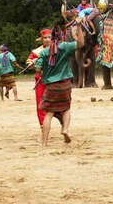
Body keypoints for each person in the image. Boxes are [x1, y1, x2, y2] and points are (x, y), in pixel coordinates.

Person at [35, 18, 85, 147]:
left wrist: (44, 72)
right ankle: (65, 129)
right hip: (65, 84)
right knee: (66, 108)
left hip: (51, 86)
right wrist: (79, 26)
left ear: (51, 38)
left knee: (49, 113)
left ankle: (45, 143)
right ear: (61, 37)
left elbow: (37, 69)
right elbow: (80, 43)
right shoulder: (65, 47)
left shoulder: (44, 52)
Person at [26, 29, 62, 134]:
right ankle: (44, 130)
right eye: (45, 38)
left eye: (49, 37)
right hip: (41, 81)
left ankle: (64, 125)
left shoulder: (59, 49)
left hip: (55, 80)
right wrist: (32, 63)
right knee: (41, 105)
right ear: (42, 39)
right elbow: (29, 66)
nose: (47, 40)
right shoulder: (36, 52)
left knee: (60, 104)